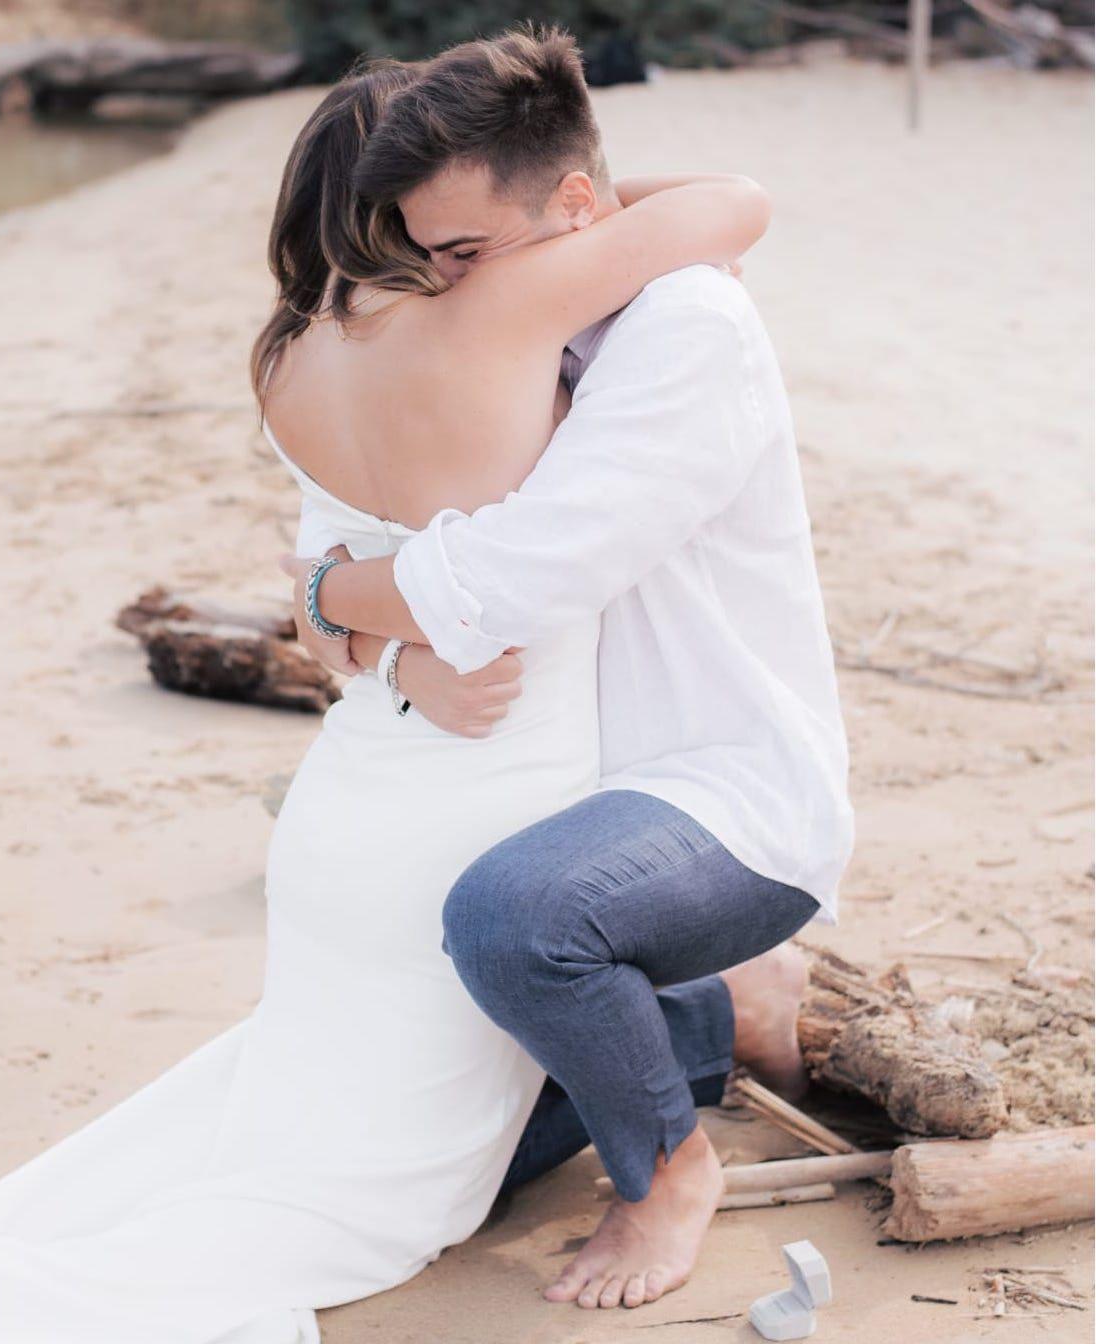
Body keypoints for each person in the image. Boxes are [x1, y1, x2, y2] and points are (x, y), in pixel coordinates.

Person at [0, 30, 797, 1343]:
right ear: (400, 209)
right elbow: (735, 204)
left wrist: (354, 621)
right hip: (488, 793)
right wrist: (573, 207)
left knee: (326, 1089)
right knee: (399, 1160)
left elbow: (318, 578)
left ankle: (698, 1028)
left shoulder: (286, 359)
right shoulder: (500, 309)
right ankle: (694, 1069)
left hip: (354, 791)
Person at [283, 25, 854, 1314]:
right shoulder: (517, 325)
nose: (446, 283)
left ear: (583, 208)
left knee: (513, 924)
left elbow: (515, 580)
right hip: (560, 792)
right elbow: (349, 539)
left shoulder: (688, 323)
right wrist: (370, 631)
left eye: (465, 251)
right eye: (428, 255)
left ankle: (669, 1175)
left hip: (716, 793)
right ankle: (712, 1014)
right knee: (436, 1160)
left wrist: (331, 598)